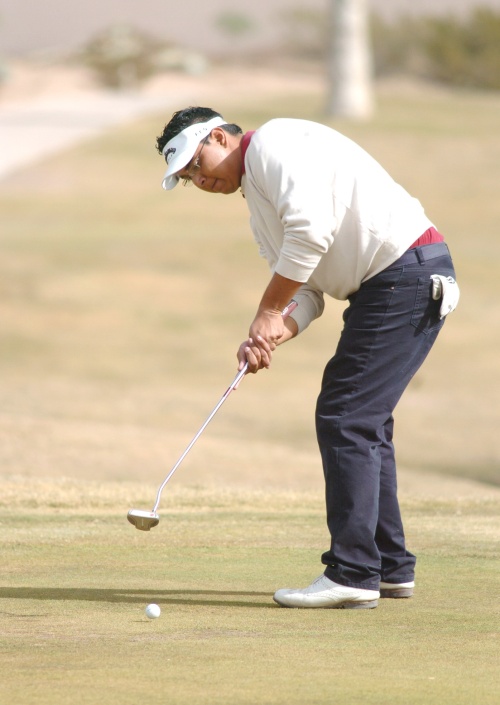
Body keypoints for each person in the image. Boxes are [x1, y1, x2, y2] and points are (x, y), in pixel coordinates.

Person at [155, 107, 459, 609]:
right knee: (362, 420)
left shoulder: (273, 144)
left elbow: (310, 234)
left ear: (218, 137)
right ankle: (388, 567)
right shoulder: (258, 207)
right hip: (390, 285)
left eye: (195, 164)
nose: (199, 180)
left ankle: (353, 572)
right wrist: (272, 333)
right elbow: (310, 291)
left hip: (405, 274)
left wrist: (269, 310)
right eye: (187, 178)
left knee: (345, 416)